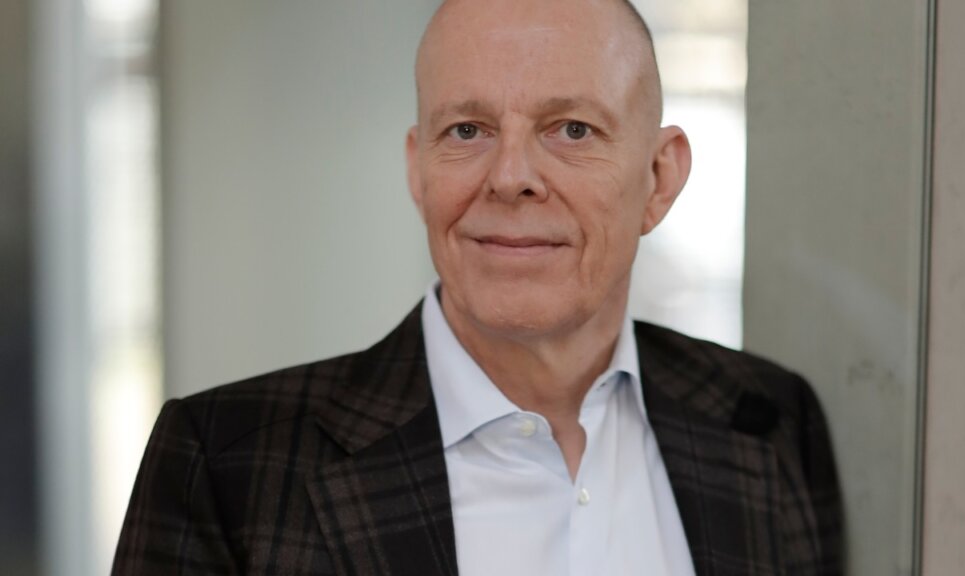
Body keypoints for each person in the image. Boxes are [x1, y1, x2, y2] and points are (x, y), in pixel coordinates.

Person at [113, 0, 842, 574]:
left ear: (659, 178)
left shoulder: (773, 423)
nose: (510, 176)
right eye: (466, 130)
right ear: (417, 170)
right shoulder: (226, 466)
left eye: (572, 129)